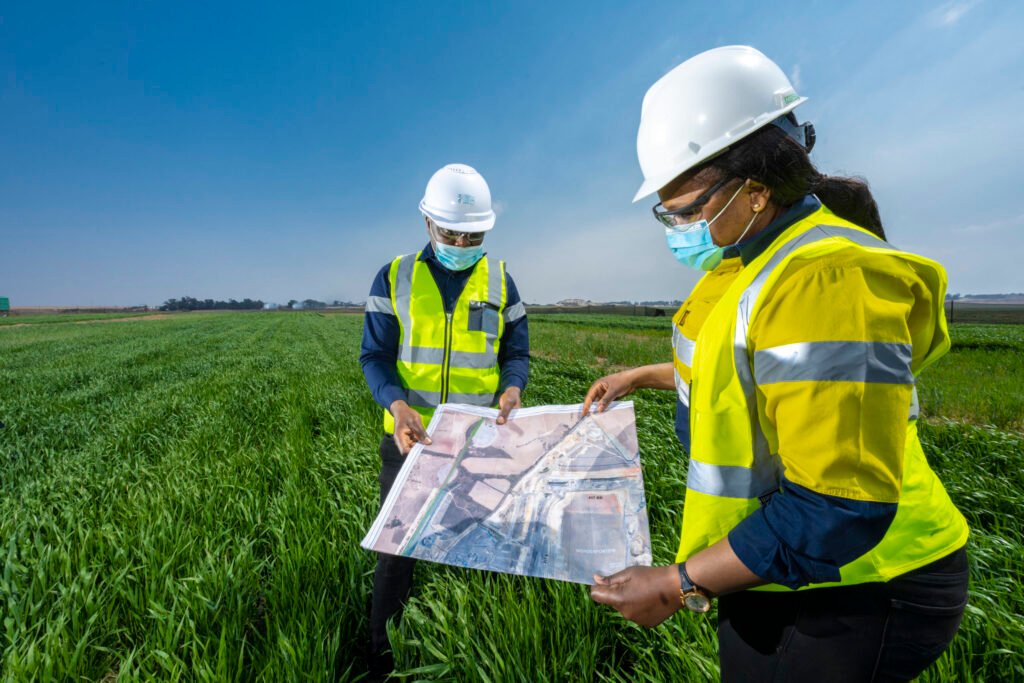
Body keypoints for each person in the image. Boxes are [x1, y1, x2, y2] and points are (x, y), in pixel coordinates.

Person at [586, 46, 969, 683]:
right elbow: (741, 371)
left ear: (755, 190)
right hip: (778, 570)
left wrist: (679, 583)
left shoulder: (826, 281)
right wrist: (643, 376)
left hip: (857, 582)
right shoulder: (749, 259)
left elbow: (835, 506)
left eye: (684, 211)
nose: (675, 227)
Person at [359, 163, 529, 674]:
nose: (460, 240)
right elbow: (374, 357)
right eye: (450, 231)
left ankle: (482, 651)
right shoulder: (395, 276)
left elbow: (515, 353)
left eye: (472, 233)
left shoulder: (501, 280)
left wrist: (512, 388)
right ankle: (379, 657)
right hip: (411, 440)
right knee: (397, 553)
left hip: (479, 441)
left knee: (486, 543)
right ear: (427, 224)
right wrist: (397, 404)